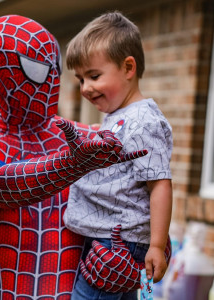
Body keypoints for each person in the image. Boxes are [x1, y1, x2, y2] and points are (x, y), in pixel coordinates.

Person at [0, 15, 147, 299]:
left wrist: (131, 262)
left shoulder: (95, 138)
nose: (50, 79)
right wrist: (75, 164)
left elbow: (147, 219)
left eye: (54, 67)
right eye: (36, 68)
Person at [63, 11, 173, 300]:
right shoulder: (120, 116)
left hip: (116, 243)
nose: (85, 88)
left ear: (128, 68)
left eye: (94, 76)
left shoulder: (143, 121)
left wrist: (157, 246)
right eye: (80, 79)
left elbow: (159, 183)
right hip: (114, 238)